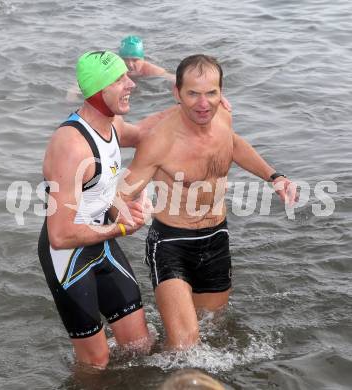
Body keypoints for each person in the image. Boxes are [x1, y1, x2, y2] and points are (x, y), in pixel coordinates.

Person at [117, 54, 297, 350]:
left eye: (211, 93)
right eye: (193, 94)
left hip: (216, 237)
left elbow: (234, 144)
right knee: (185, 347)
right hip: (171, 243)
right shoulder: (160, 140)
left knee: (212, 332)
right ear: (177, 93)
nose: (203, 104)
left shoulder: (223, 116)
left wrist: (274, 176)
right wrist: (127, 212)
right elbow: (121, 194)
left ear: (221, 93)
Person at [38, 50, 170, 368]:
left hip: (102, 244)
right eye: (120, 79)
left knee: (140, 345)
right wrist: (122, 226)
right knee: (96, 363)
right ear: (99, 91)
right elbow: (59, 235)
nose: (131, 85)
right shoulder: (71, 146)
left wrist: (193, 105)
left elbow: (143, 134)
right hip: (69, 258)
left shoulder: (112, 125)